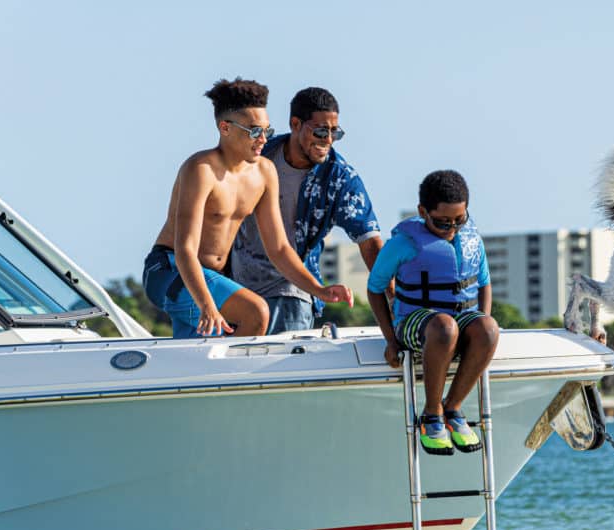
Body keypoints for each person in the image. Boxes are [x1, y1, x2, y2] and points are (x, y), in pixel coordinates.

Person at [142, 78, 351, 339]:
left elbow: (279, 249)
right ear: (225, 128)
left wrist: (319, 290)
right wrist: (208, 306)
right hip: (170, 270)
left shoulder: (264, 173)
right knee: (255, 313)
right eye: (254, 131)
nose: (263, 139)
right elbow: (185, 249)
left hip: (211, 277)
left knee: (196, 362)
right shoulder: (201, 170)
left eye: (267, 131)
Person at [367, 170, 499, 456]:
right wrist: (391, 341)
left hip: (459, 320)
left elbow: (484, 284)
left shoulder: (472, 240)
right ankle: (431, 414)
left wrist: (481, 324)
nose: (452, 228)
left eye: (459, 220)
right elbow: (375, 288)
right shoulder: (403, 244)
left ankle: (453, 408)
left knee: (488, 329)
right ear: (422, 212)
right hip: (415, 322)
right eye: (442, 222)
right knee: (444, 326)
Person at [231, 87, 382, 333]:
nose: (328, 140)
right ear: (295, 124)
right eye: (321, 131)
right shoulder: (257, 157)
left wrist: (397, 300)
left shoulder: (340, 178)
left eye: (335, 133)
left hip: (293, 294)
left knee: (279, 371)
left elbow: (370, 242)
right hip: (237, 290)